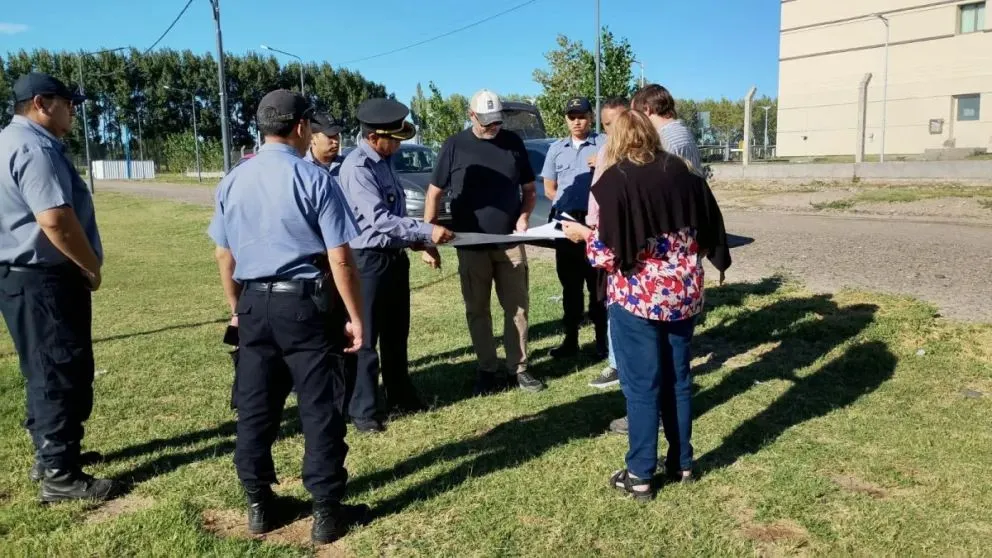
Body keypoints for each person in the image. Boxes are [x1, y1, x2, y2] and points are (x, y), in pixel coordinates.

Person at [207, 89, 366, 544]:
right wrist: (354, 315)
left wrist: (237, 309)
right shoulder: (315, 179)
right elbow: (340, 259)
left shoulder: (233, 179)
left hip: (254, 301)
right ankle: (326, 512)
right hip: (305, 304)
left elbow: (224, 255)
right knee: (320, 407)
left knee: (255, 407)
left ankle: (259, 504)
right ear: (300, 127)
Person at [562, 109, 730, 499]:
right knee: (679, 379)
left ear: (617, 139)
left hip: (638, 298)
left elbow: (607, 255)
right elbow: (710, 235)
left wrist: (582, 235)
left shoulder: (616, 181)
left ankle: (640, 474)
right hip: (683, 295)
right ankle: (682, 463)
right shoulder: (686, 175)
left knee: (641, 386)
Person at [0, 72, 119, 503]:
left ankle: (51, 454)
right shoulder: (34, 147)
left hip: (19, 276)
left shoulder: (9, 141)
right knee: (59, 369)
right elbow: (54, 219)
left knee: (42, 366)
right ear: (41, 103)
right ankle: (60, 475)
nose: (73, 110)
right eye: (68, 102)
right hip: (44, 277)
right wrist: (89, 267)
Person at [338, 98, 455, 433]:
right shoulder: (358, 167)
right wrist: (427, 229)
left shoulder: (384, 161)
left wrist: (420, 242)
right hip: (368, 263)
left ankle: (400, 394)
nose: (398, 146)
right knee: (366, 336)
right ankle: (363, 410)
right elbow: (378, 220)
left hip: (392, 259)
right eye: (394, 140)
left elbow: (397, 218)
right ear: (375, 137)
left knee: (396, 332)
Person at [423, 89, 545, 394]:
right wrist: (429, 236)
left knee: (517, 308)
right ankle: (487, 368)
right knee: (477, 309)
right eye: (487, 122)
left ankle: (519, 368)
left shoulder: (513, 143)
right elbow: (434, 193)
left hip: (509, 242)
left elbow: (529, 190)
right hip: (470, 243)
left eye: (497, 121)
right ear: (471, 115)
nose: (493, 127)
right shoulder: (454, 145)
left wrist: (524, 217)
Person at [541, 97, 608, 360]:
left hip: (594, 222)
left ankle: (602, 341)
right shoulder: (557, 148)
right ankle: (571, 340)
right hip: (566, 222)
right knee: (570, 286)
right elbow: (549, 187)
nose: (577, 121)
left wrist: (603, 161)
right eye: (571, 116)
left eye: (581, 115)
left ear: (591, 117)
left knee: (597, 285)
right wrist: (567, 207)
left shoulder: (604, 144)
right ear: (566, 119)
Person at [584, 97, 628, 390]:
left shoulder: (644, 155)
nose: (614, 130)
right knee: (611, 300)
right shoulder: (606, 152)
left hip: (633, 246)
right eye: (608, 125)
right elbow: (595, 197)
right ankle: (615, 361)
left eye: (619, 123)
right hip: (608, 239)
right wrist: (591, 226)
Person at [304, 112, 344, 177]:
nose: (335, 141)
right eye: (330, 136)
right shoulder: (302, 167)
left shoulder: (348, 165)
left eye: (337, 134)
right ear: (312, 138)